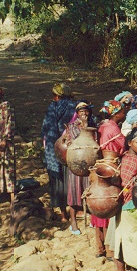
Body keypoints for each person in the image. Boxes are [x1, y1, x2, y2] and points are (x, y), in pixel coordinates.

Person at [114, 128, 137, 271]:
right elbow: (129, 186)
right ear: (130, 143)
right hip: (133, 207)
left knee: (123, 244)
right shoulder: (133, 161)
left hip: (125, 207)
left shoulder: (128, 157)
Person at [94, 100, 126, 259]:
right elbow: (123, 146)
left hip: (99, 165)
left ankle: (99, 246)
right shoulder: (113, 128)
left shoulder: (102, 125)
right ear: (116, 113)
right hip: (111, 165)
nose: (124, 113)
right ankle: (110, 248)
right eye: (122, 111)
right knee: (111, 203)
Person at [41, 83, 76, 222]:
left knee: (58, 181)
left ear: (57, 95)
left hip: (55, 149)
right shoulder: (75, 107)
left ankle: (63, 215)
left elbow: (47, 128)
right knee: (71, 179)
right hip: (71, 148)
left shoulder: (53, 107)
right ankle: (75, 210)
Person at [64, 101, 95, 235]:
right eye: (81, 111)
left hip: (89, 164)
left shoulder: (93, 125)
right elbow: (75, 141)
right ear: (77, 113)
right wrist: (85, 126)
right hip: (76, 164)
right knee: (74, 194)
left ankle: (92, 219)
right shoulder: (72, 127)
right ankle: (73, 223)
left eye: (86, 111)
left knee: (89, 191)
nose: (84, 113)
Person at [0, 88, 15, 203]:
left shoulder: (6, 106)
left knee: (9, 168)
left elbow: (10, 122)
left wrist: (5, 139)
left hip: (6, 141)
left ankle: (12, 196)